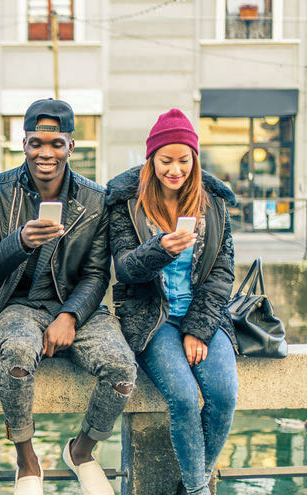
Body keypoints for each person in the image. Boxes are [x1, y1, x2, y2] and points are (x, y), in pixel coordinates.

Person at [0, 98, 137, 495]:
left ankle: (81, 452)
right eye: (36, 143)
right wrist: (21, 241)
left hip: (75, 307)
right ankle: (27, 461)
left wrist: (70, 316)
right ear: (23, 143)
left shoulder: (96, 199)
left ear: (70, 146)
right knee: (16, 356)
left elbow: (98, 273)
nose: (45, 153)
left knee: (122, 368)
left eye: (56, 143)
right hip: (16, 306)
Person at [106, 109, 238, 495]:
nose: (175, 169)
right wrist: (159, 250)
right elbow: (126, 269)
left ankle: (191, 485)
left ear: (195, 161)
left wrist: (198, 330)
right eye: (166, 161)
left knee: (224, 396)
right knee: (181, 397)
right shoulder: (126, 203)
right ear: (151, 161)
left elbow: (222, 272)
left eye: (184, 160)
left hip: (203, 315)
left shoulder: (213, 205)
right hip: (152, 318)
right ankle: (199, 491)